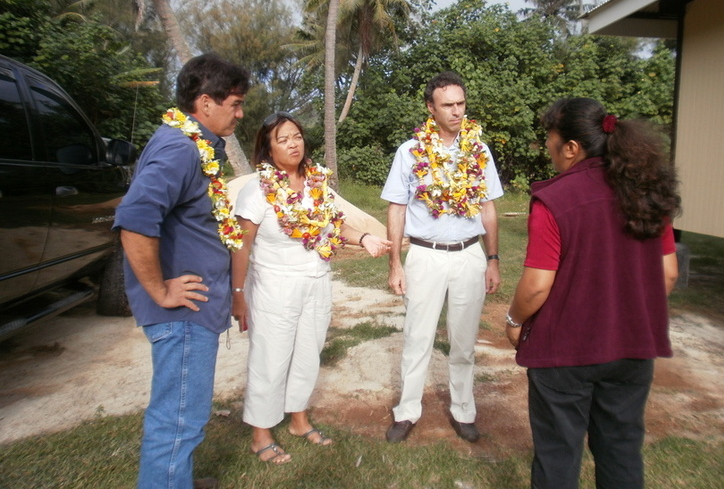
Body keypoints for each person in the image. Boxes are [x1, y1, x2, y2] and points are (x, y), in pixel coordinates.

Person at [506, 97, 681, 489]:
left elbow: (536, 285)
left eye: (550, 138)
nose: (547, 146)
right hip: (633, 348)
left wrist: (514, 320)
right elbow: (667, 273)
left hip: (564, 352)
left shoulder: (554, 198)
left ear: (571, 147)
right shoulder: (648, 192)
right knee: (621, 450)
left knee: (558, 456)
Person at [114, 53, 250, 489]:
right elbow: (135, 219)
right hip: (183, 314)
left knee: (182, 414)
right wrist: (160, 289)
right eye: (235, 103)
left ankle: (178, 480)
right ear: (205, 102)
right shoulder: (179, 148)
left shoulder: (191, 145)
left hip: (193, 313)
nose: (240, 113)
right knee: (177, 420)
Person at [230, 112, 391, 464]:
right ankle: (261, 434)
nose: (293, 143)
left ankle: (299, 421)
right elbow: (241, 246)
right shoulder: (257, 191)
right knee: (270, 359)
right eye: (283, 139)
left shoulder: (317, 183)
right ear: (268, 149)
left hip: (317, 281)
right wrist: (238, 295)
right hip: (274, 286)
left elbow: (335, 226)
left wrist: (364, 238)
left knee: (307, 352)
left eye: (297, 136)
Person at [381, 71, 504, 443]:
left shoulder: (478, 150)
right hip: (424, 255)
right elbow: (397, 209)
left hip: (469, 255)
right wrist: (395, 264)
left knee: (464, 341)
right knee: (418, 337)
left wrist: (493, 258)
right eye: (447, 104)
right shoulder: (410, 151)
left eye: (461, 103)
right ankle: (407, 411)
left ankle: (464, 410)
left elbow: (488, 208)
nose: (456, 111)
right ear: (430, 108)